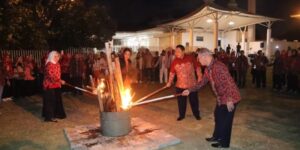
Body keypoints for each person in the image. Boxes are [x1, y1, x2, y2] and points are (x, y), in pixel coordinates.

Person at [182, 48, 241, 148]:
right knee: (218, 116)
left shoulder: (218, 67)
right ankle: (216, 136)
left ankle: (224, 143)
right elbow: (202, 82)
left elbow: (228, 83)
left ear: (205, 57)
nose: (198, 61)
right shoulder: (208, 69)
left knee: (225, 121)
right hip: (221, 98)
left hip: (230, 97)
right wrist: (190, 90)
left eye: (199, 58)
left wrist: (229, 99)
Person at [166, 45, 202, 121]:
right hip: (180, 85)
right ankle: (181, 115)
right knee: (181, 102)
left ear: (183, 51)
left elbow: (197, 67)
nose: (176, 53)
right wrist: (169, 82)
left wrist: (199, 76)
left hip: (192, 85)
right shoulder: (174, 61)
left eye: (178, 51)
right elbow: (172, 73)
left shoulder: (190, 58)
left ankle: (196, 114)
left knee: (194, 101)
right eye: (175, 51)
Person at [42, 51, 66, 122]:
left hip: (57, 85)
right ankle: (49, 117)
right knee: (50, 101)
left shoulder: (58, 64)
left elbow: (58, 74)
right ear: (51, 56)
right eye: (55, 56)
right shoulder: (49, 64)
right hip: (49, 85)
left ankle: (57, 114)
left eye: (58, 57)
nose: (57, 58)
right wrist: (60, 81)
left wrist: (59, 82)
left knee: (57, 101)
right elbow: (51, 76)